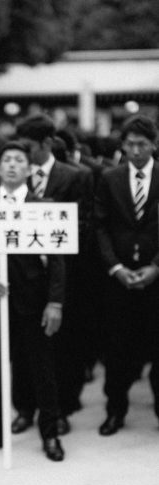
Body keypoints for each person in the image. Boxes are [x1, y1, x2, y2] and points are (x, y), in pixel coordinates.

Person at [0, 141, 66, 462]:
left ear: (29, 170)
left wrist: (55, 302)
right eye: (5, 160)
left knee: (43, 367)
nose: (11, 165)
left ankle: (50, 432)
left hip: (34, 300)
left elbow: (59, 260)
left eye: (18, 160)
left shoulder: (44, 207)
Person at [14, 114, 88, 436]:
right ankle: (24, 408)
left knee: (63, 348)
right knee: (23, 347)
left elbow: (84, 224)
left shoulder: (75, 177)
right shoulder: (13, 177)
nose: (23, 153)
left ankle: (61, 409)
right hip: (24, 277)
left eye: (29, 147)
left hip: (62, 275)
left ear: (45, 143)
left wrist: (51, 232)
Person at [94, 113, 159, 436]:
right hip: (118, 277)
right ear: (122, 145)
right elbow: (101, 227)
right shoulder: (110, 177)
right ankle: (114, 411)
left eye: (142, 144)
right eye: (130, 144)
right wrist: (115, 267)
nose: (136, 151)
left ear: (153, 145)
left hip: (155, 277)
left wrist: (156, 267)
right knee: (117, 348)